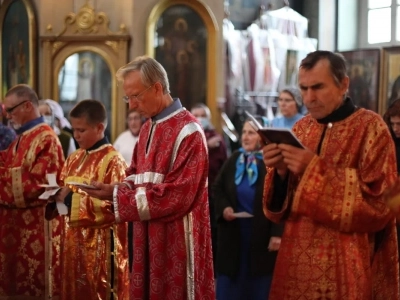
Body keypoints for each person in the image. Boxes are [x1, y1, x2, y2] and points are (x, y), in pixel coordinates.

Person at [262, 50, 399, 299]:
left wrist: (312, 169)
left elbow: (381, 206)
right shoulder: (301, 129)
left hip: (346, 266)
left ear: (343, 84)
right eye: (303, 89)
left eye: (317, 87)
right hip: (295, 264)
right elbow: (279, 210)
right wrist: (280, 173)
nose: (309, 98)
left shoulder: (372, 128)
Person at [80, 56, 215, 299]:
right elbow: (136, 175)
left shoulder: (189, 132)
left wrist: (118, 197)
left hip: (177, 243)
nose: (131, 105)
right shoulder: (147, 128)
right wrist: (116, 188)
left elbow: (177, 196)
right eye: (127, 97)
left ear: (157, 88)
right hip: (146, 237)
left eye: (135, 96)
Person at [46, 99, 129, 299]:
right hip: (72, 247)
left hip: (100, 252)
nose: (75, 135)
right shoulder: (74, 157)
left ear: (99, 127)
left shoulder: (113, 161)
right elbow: (62, 189)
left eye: (81, 130)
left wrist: (68, 201)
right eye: (74, 129)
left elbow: (116, 206)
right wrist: (52, 195)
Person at [0, 84, 64, 298]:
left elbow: (37, 184)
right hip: (15, 231)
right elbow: (7, 163)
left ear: (27, 106)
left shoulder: (47, 138)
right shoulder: (21, 138)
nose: (7, 116)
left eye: (10, 110)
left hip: (37, 232)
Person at [213, 117, 282, 300]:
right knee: (231, 287)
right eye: (243, 132)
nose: (245, 137)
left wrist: (277, 233)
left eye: (251, 133)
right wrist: (225, 208)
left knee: (257, 287)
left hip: (260, 234)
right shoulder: (235, 158)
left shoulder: (271, 163)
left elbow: (280, 197)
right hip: (233, 233)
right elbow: (217, 188)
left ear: (261, 137)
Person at [191, 102, 227, 275]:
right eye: (195, 115)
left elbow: (221, 168)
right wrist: (205, 144)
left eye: (202, 115)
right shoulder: (188, 136)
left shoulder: (217, 138)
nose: (199, 118)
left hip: (211, 193)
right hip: (190, 194)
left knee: (210, 232)